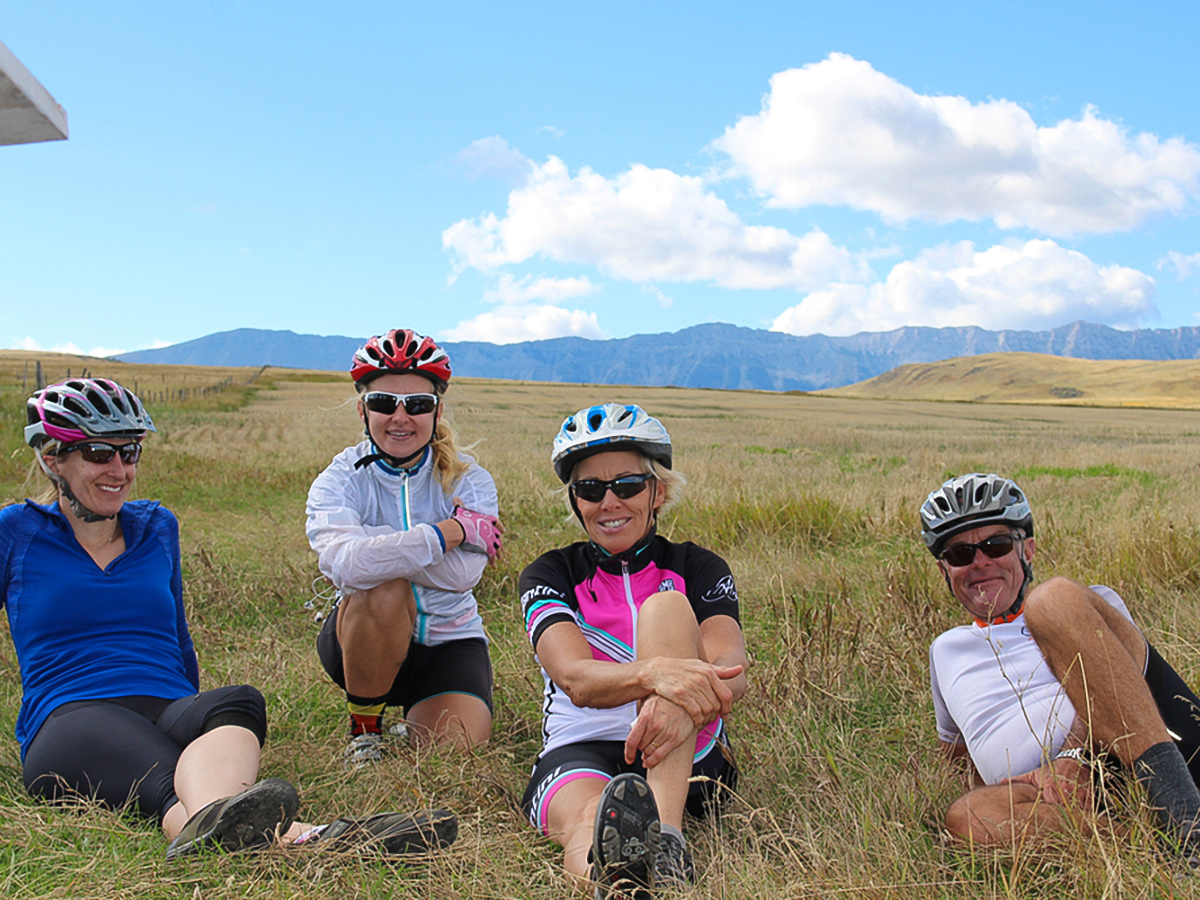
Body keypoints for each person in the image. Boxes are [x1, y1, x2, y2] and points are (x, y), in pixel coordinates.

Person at [4, 378, 455, 859]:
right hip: (72, 716)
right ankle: (318, 840)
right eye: (98, 453)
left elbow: (177, 636)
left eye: (130, 452)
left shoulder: (156, 526)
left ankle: (243, 827)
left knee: (237, 701)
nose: (119, 469)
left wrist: (191, 711)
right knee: (164, 774)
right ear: (52, 459)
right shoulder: (17, 531)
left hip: (166, 707)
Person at [518, 403, 747, 897]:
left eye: (627, 485)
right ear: (575, 500)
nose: (610, 502)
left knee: (664, 608)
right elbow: (576, 678)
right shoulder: (550, 573)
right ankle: (619, 886)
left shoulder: (696, 565)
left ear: (657, 491)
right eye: (590, 489)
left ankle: (664, 838)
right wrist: (657, 673)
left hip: (691, 756)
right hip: (583, 747)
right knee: (589, 819)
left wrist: (670, 683)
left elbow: (730, 668)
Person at [922, 473, 1200, 855]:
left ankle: (1184, 813)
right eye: (959, 554)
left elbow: (1126, 686)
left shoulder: (1086, 603)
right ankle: (1161, 849)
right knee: (971, 816)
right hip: (1068, 800)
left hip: (1162, 750)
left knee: (1051, 600)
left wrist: (1074, 757)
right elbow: (957, 759)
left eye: (997, 544)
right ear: (944, 571)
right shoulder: (945, 651)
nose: (980, 562)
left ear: (1028, 550)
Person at [307, 328, 502, 767]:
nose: (400, 418)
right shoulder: (340, 478)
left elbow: (461, 577)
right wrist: (449, 533)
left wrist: (372, 543)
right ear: (362, 409)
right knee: (381, 586)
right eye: (382, 404)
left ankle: (408, 721)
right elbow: (343, 567)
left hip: (449, 643)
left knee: (453, 753)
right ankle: (365, 730)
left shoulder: (470, 480)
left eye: (417, 405)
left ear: (437, 411)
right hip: (363, 634)